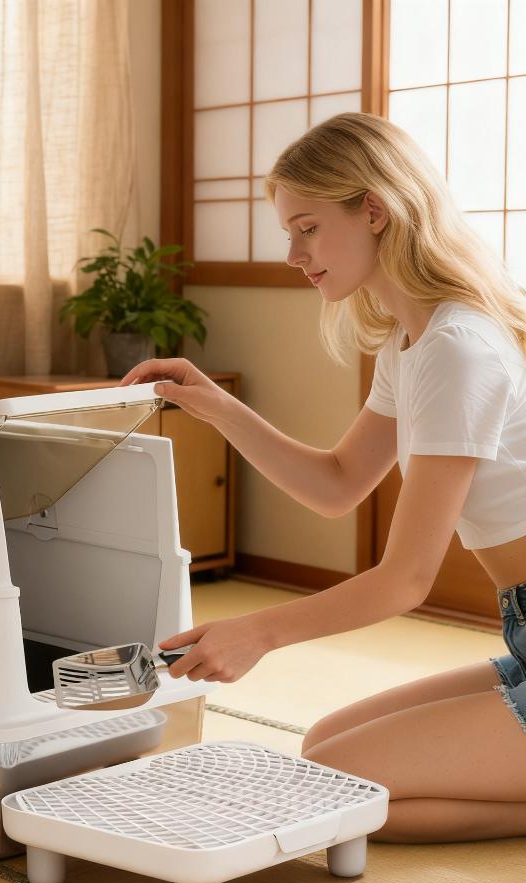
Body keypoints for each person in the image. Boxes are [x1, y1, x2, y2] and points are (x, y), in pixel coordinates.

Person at [121, 112, 526, 845]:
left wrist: (257, 632)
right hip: (523, 629)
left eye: (307, 228)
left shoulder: (458, 349)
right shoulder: (415, 344)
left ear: (374, 210)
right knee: (324, 757)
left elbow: (406, 580)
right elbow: (338, 483)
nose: (292, 253)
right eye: (289, 233)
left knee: (342, 790)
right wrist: (214, 405)